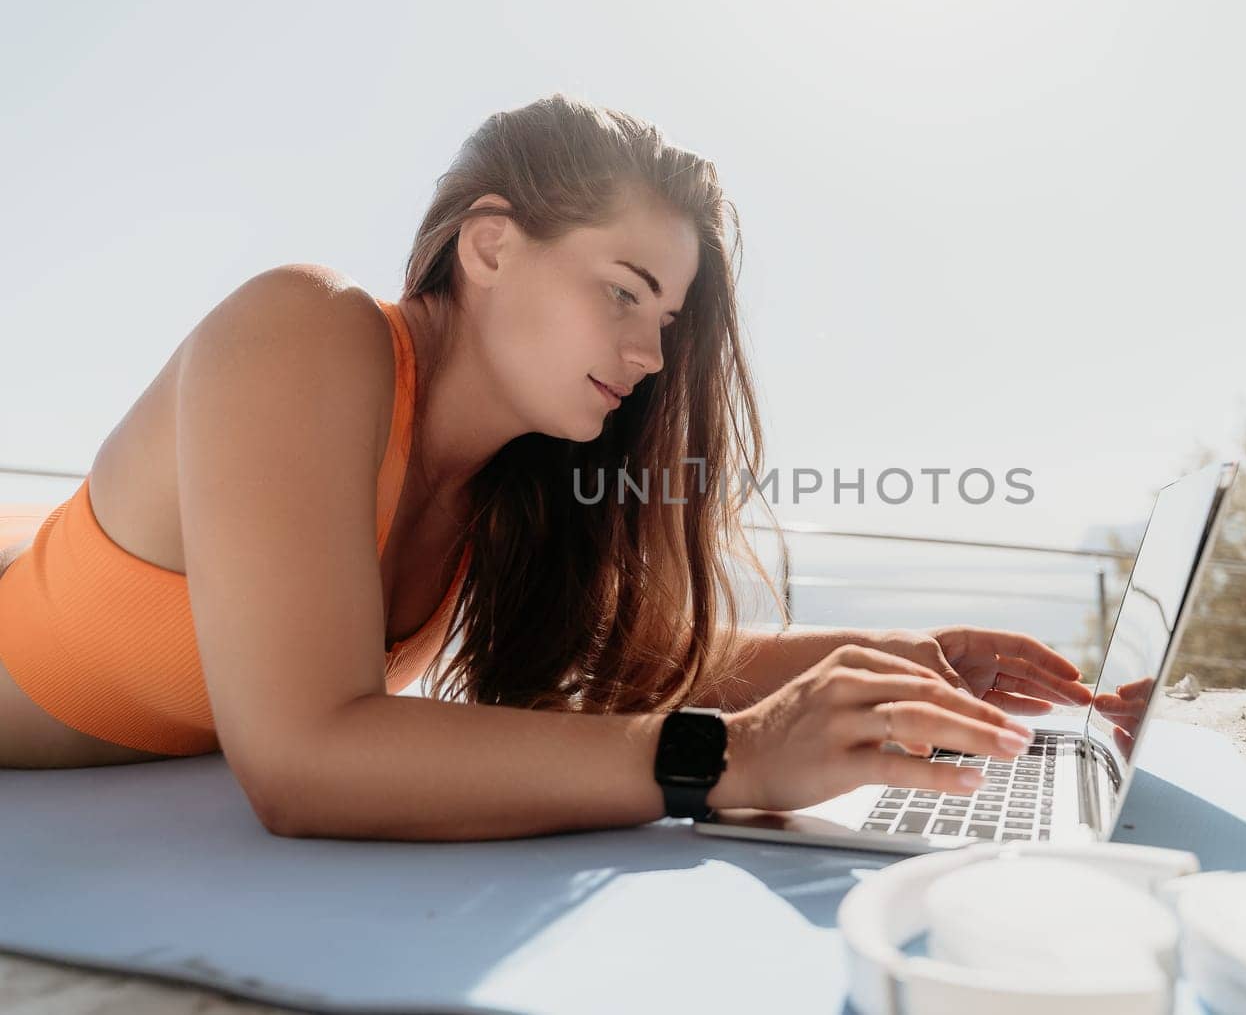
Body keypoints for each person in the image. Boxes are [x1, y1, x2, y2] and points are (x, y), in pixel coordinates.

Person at [0, 94, 1091, 839]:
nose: (651, 354)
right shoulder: (304, 329)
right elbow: (300, 758)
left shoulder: (506, 484)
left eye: (666, 316)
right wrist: (728, 759)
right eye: (622, 290)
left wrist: (900, 655)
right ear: (488, 243)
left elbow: (638, 654)